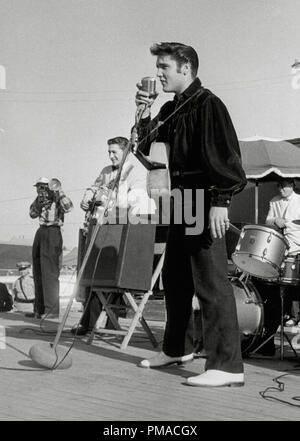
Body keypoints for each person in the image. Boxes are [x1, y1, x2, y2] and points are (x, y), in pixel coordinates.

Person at [135, 42, 247, 387]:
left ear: (186, 68)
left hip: (202, 196)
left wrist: (221, 200)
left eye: (164, 67)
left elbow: (227, 157)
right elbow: (147, 150)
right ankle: (176, 348)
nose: (159, 73)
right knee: (177, 279)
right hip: (177, 197)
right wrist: (142, 113)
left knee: (211, 282)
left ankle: (227, 366)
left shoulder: (208, 104)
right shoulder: (170, 108)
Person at [72, 136, 156, 335]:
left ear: (125, 151)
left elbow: (136, 200)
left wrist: (111, 198)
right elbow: (95, 188)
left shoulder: (137, 171)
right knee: (94, 275)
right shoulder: (106, 171)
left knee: (113, 274)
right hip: (103, 226)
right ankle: (89, 322)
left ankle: (111, 323)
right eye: (108, 152)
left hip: (122, 226)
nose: (110, 156)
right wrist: (88, 198)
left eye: (114, 152)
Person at [251, 177, 300, 355]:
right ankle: (267, 339)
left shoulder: (299, 201)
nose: (281, 190)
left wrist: (288, 223)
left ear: (292, 185)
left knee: (292, 290)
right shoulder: (274, 201)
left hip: (296, 250)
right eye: (279, 187)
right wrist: (275, 221)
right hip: (278, 251)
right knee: (269, 292)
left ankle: (293, 315)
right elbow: (268, 220)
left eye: (284, 186)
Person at [29, 177, 73, 319]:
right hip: (41, 231)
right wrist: (40, 204)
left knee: (50, 272)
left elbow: (69, 207)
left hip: (53, 231)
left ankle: (51, 311)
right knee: (38, 271)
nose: (41, 190)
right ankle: (39, 309)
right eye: (39, 187)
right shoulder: (39, 199)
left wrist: (58, 192)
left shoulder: (57, 196)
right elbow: (32, 214)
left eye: (43, 187)